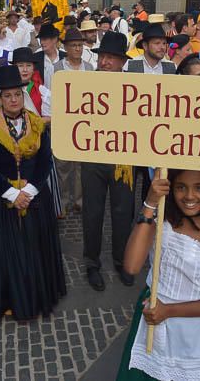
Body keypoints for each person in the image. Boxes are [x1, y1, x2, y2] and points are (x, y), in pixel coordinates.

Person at [117, 170, 200, 381]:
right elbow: (131, 266)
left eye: (199, 187)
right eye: (181, 187)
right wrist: (150, 204)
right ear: (170, 188)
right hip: (155, 321)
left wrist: (170, 311)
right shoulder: (160, 218)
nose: (189, 196)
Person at [0, 65, 66, 319]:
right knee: (0, 252)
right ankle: (5, 299)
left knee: (34, 247)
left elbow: (46, 161)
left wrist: (30, 190)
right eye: (7, 96)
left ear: (23, 96)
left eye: (17, 95)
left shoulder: (37, 125)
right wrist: (12, 194)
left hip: (34, 196)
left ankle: (34, 296)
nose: (13, 100)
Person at [83, 32, 136, 291]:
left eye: (111, 58)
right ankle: (92, 263)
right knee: (92, 213)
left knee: (123, 213)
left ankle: (121, 260)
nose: (104, 62)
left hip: (123, 162)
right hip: (92, 160)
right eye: (102, 56)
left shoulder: (136, 89)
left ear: (122, 62)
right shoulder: (85, 85)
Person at [35, 23, 66, 88]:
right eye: (41, 39)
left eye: (45, 39)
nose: (41, 42)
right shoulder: (35, 59)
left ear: (54, 39)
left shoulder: (66, 57)